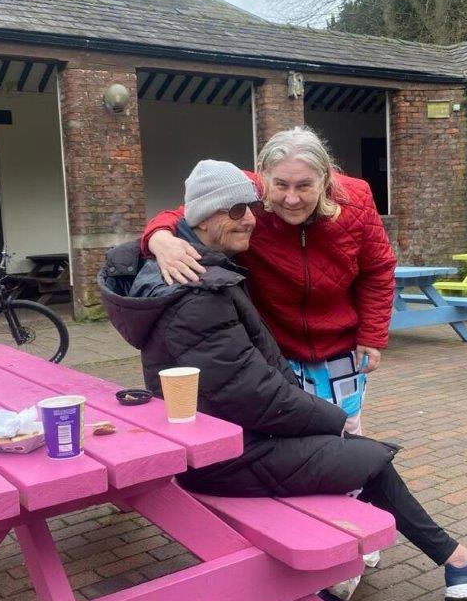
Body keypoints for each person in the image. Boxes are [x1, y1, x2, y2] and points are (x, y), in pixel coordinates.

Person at [101, 159, 467, 601]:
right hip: (223, 455)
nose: (254, 218)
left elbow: (375, 270)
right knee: (363, 458)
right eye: (238, 211)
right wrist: (334, 421)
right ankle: (435, 567)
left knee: (353, 457)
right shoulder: (197, 292)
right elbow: (248, 394)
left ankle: (429, 566)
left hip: (221, 438)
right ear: (206, 217)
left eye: (252, 207)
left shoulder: (199, 267)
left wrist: (360, 352)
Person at [142, 128, 395, 436]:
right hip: (274, 347)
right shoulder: (246, 197)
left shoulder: (357, 199)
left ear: (324, 180)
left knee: (344, 427)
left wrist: (372, 334)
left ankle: (349, 485)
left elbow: (378, 269)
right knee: (288, 434)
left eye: (304, 185)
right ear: (263, 178)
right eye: (280, 185)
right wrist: (159, 237)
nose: (291, 198)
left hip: (339, 345)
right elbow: (186, 214)